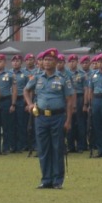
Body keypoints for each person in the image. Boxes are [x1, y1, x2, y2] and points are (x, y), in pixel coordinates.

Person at [28, 49, 71, 189]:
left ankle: (57, 180)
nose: (47, 62)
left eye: (50, 60)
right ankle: (46, 179)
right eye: (45, 60)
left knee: (57, 148)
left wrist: (68, 120)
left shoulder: (63, 78)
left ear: (56, 62)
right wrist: (30, 104)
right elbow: (26, 90)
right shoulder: (37, 77)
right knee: (43, 149)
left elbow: (69, 100)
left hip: (58, 117)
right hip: (40, 117)